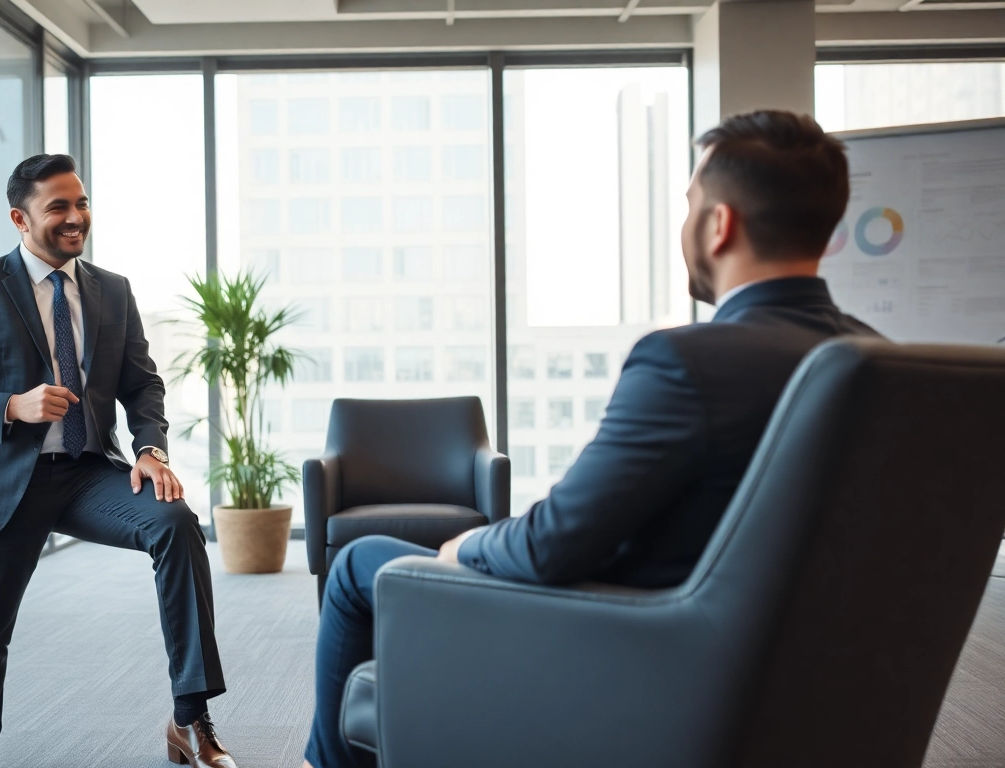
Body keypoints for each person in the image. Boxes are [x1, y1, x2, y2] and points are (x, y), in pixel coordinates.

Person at [298, 110, 882, 768]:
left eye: (689, 204)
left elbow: (552, 546)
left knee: (357, 564)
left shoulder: (689, 363)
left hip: (628, 648)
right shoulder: (879, 362)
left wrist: (467, 545)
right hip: (794, 678)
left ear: (719, 224)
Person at [0, 154, 238, 768]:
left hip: (88, 473)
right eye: (57, 206)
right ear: (20, 218)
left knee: (175, 524)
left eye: (81, 203)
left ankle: (189, 719)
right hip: (6, 478)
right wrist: (11, 405)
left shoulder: (112, 289)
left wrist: (150, 450)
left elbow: (142, 384)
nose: (75, 217)